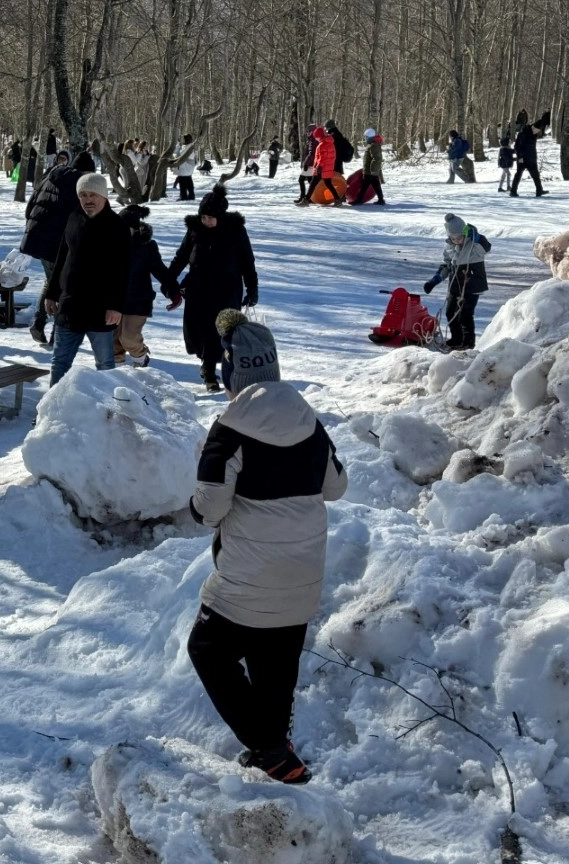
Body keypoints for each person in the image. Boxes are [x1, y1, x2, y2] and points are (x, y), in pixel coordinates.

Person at [185, 311, 348, 785]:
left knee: (208, 650)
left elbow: (210, 507)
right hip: (302, 575)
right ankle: (280, 757)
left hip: (247, 578)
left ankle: (269, 747)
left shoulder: (230, 427)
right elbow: (335, 486)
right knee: (274, 667)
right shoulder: (309, 421)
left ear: (234, 370)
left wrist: (195, 509)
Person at [41, 173, 129, 386]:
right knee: (59, 362)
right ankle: (53, 412)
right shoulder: (73, 218)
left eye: (93, 195)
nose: (88, 200)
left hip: (101, 309)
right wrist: (51, 294)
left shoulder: (116, 225)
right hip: (70, 305)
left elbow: (123, 269)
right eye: (83, 195)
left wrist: (116, 306)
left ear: (104, 196)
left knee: (106, 365)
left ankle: (109, 413)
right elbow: (61, 257)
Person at [168, 185, 259, 391]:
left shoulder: (235, 231)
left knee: (219, 333)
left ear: (220, 216)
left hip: (227, 291)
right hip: (198, 289)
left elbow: (247, 261)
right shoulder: (195, 229)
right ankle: (207, 365)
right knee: (198, 331)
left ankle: (213, 373)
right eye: (203, 217)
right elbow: (181, 257)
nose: (206, 221)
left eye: (210, 218)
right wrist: (169, 280)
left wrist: (252, 289)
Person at [21, 150, 87, 345]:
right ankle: (56, 333)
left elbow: (30, 207)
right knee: (64, 287)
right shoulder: (78, 185)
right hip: (59, 244)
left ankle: (39, 321)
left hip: (39, 239)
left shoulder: (50, 175)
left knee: (51, 282)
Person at [113, 205, 179, 367]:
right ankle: (117, 375)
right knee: (113, 343)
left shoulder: (146, 247)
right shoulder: (109, 245)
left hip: (138, 301)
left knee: (128, 338)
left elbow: (160, 271)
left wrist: (173, 291)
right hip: (114, 302)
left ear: (134, 229)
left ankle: (141, 358)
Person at [423, 213, 492, 351]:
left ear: (464, 233)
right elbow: (447, 266)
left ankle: (468, 343)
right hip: (455, 286)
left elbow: (486, 247)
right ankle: (457, 339)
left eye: (459, 237)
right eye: (453, 238)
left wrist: (477, 237)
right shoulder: (449, 247)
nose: (456, 241)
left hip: (472, 285)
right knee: (450, 313)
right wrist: (435, 280)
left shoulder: (474, 244)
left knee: (465, 314)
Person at [298, 127, 342, 205]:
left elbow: (322, 158)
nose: (316, 139)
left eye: (316, 137)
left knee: (312, 184)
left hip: (321, 169)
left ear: (320, 136)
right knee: (328, 184)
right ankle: (337, 200)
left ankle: (306, 200)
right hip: (327, 168)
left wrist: (318, 167)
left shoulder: (322, 145)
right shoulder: (330, 143)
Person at [509, 110, 549, 197]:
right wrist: (545, 117)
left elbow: (517, 146)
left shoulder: (524, 132)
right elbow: (539, 124)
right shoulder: (530, 132)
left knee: (520, 174)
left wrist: (520, 156)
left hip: (523, 157)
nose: (540, 133)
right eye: (539, 131)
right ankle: (538, 191)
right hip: (528, 158)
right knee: (534, 175)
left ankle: (513, 191)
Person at [362, 131, 388, 205]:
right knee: (376, 185)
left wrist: (372, 169)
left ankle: (359, 199)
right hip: (372, 170)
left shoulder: (373, 145)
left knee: (365, 185)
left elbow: (376, 158)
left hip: (370, 170)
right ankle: (381, 199)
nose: (365, 139)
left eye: (366, 137)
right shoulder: (374, 145)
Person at [295, 125, 316, 203]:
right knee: (311, 181)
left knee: (301, 180)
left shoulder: (313, 140)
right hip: (311, 163)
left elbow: (311, 153)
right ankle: (311, 197)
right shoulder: (311, 140)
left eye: (308, 131)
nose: (307, 133)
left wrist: (306, 163)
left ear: (311, 131)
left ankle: (303, 197)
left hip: (310, 164)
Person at [173, 134, 197, 200]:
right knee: (189, 181)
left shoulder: (187, 147)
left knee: (183, 182)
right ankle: (191, 195)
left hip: (185, 167)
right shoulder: (189, 147)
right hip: (187, 168)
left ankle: (184, 196)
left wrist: (178, 147)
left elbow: (179, 155)